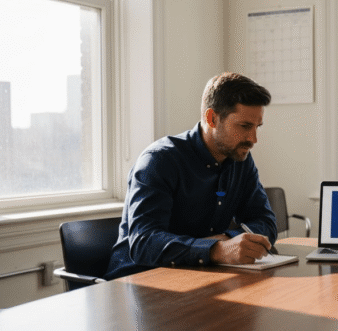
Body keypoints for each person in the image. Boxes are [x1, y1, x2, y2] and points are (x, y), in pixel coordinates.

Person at [104, 72, 277, 280]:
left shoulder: (241, 160)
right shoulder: (159, 161)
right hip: (139, 282)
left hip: (198, 276)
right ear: (212, 118)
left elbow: (265, 222)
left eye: (257, 127)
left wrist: (224, 240)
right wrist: (216, 250)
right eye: (244, 126)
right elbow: (144, 243)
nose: (253, 139)